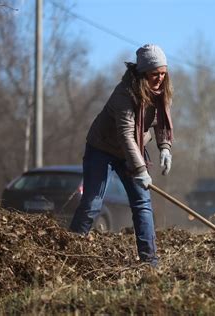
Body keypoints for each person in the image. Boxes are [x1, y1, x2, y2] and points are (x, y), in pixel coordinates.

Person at [69, 44, 174, 267]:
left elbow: (161, 122)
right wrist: (140, 170)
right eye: (155, 74)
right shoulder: (124, 94)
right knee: (92, 204)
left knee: (143, 204)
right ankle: (70, 253)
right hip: (103, 148)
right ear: (143, 73)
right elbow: (126, 136)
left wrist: (164, 147)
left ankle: (150, 264)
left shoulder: (161, 91)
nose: (160, 78)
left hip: (134, 148)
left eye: (163, 73)